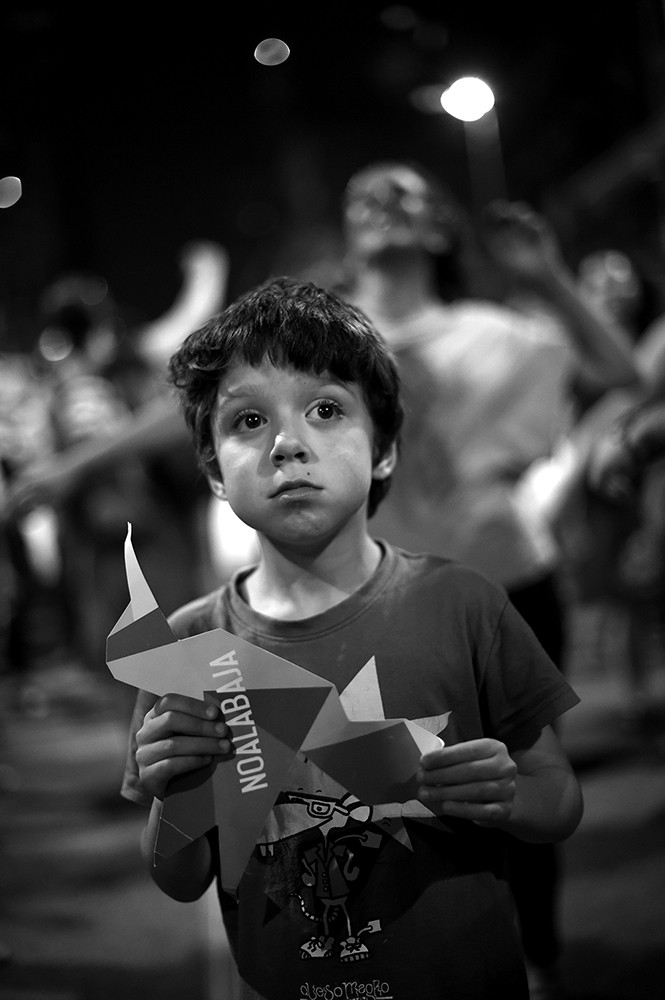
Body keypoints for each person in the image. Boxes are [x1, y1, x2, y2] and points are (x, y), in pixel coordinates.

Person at [119, 275, 583, 1000]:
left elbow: (558, 801)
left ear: (383, 451)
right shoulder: (186, 647)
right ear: (213, 471)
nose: (286, 444)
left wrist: (509, 797)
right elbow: (177, 881)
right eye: (247, 422)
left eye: (326, 410)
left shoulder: (464, 604)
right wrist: (173, 793)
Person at [333, 160, 637, 997]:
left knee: (523, 793)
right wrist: (70, 469)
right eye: (366, 195)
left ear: (439, 230)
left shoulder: (495, 331)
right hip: (382, 603)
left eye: (408, 195)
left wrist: (545, 277)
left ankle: (536, 959)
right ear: (345, 228)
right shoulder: (325, 340)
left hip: (508, 586)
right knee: (397, 799)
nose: (385, 204)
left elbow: (622, 377)